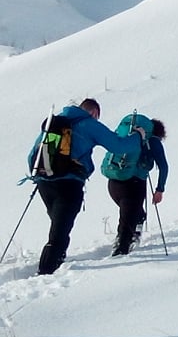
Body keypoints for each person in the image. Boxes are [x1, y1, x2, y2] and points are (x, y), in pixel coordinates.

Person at [28, 99, 144, 274]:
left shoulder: (55, 122)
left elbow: (32, 155)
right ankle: (46, 273)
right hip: (69, 184)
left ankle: (52, 264)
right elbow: (119, 146)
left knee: (59, 226)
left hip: (44, 183)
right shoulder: (89, 125)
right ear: (93, 113)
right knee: (59, 233)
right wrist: (138, 136)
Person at [105, 118, 169, 255]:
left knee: (133, 214)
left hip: (114, 180)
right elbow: (163, 167)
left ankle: (132, 234)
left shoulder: (130, 137)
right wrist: (160, 189)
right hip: (134, 184)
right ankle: (122, 251)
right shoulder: (154, 142)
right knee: (129, 219)